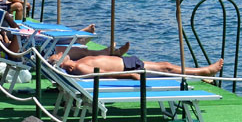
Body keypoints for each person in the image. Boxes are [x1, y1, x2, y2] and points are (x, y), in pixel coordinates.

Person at [60, 53, 224, 80]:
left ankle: (203, 72)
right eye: (56, 56)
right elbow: (101, 74)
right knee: (166, 68)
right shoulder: (79, 68)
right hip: (129, 68)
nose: (58, 53)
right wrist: (131, 75)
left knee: (165, 66)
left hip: (127, 62)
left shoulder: (76, 62)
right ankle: (204, 72)